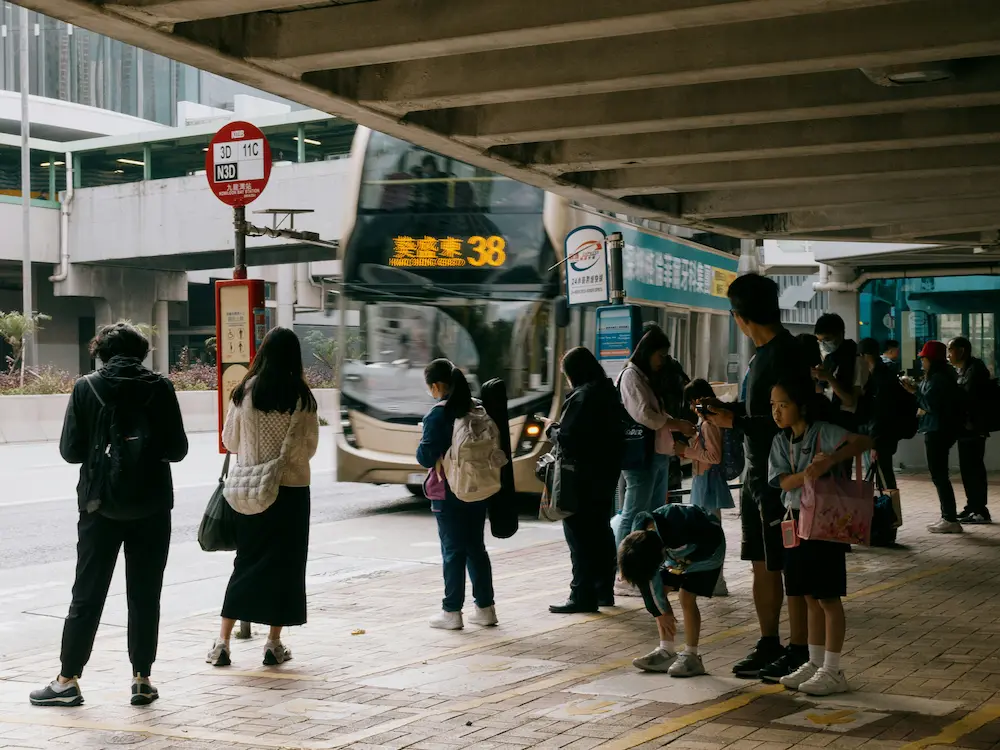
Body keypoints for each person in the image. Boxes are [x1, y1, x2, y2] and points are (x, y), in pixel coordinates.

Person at [30, 322, 188, 707]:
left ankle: (67, 680)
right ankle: (142, 679)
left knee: (87, 593)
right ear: (143, 352)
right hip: (152, 506)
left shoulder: (87, 387)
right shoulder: (161, 387)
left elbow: (70, 450)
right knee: (145, 594)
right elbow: (177, 450)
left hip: (99, 506)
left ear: (100, 351)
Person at [701, 273, 811, 682]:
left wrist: (736, 419)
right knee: (762, 562)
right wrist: (726, 408)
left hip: (783, 481)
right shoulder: (760, 355)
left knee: (790, 562)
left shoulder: (787, 353)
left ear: (739, 316)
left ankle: (800, 650)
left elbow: (794, 418)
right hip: (756, 476)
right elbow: (759, 411)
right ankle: (770, 643)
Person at [207, 327, 320, 668]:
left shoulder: (245, 391)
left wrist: (257, 454)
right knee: (286, 567)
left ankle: (222, 643)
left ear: (263, 354)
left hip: (251, 492)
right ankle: (273, 643)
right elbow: (308, 448)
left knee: (246, 562)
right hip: (292, 492)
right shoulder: (302, 397)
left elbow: (230, 440)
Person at [768, 376, 872, 696]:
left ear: (801, 405)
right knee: (809, 595)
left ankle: (833, 669)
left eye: (783, 405)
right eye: (773, 406)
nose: (777, 412)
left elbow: (863, 443)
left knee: (828, 597)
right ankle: (814, 663)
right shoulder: (780, 441)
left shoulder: (824, 432)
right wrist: (807, 474)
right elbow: (783, 482)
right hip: (796, 521)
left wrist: (832, 460)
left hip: (826, 524)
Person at [616, 326, 697, 596]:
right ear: (648, 352)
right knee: (632, 515)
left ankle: (644, 570)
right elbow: (645, 416)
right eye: (660, 355)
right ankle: (623, 574)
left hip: (657, 454)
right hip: (640, 456)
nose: (663, 360)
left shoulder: (648, 376)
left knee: (649, 517)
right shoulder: (631, 376)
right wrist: (677, 424)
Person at [417, 358, 497, 629]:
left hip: (448, 490)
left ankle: (451, 612)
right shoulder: (476, 407)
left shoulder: (438, 413)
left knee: (452, 550)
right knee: (476, 547)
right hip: (477, 487)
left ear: (437, 386)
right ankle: (485, 609)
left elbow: (426, 457)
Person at [546, 347, 623, 613]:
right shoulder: (608, 392)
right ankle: (604, 591)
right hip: (605, 475)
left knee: (579, 537)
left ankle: (582, 595)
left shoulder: (582, 397)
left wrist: (551, 429)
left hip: (581, 479)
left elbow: (569, 439)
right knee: (601, 532)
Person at [619, 504, 725, 677]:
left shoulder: (682, 527)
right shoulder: (640, 537)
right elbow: (648, 583)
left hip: (707, 554)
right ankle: (666, 650)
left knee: (686, 596)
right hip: (676, 555)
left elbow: (713, 539)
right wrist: (660, 613)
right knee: (660, 593)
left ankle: (691, 656)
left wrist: (686, 562)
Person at [675, 378, 733, 597]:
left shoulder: (709, 425)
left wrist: (686, 451)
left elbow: (714, 456)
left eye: (695, 402)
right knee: (708, 532)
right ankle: (713, 580)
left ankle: (716, 581)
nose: (693, 408)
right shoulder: (706, 424)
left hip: (708, 482)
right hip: (704, 481)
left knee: (711, 533)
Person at [902, 341, 964, 533]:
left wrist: (913, 392)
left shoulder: (938, 379)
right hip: (939, 429)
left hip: (937, 430)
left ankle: (950, 518)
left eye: (924, 358)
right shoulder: (941, 376)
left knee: (939, 475)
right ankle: (948, 516)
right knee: (939, 475)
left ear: (932, 360)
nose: (922, 362)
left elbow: (931, 404)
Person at [948, 337, 992, 524]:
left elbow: (967, 398)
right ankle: (972, 506)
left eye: (951, 350)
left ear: (962, 351)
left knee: (974, 469)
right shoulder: (966, 369)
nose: (948, 355)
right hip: (966, 428)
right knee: (968, 469)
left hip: (974, 428)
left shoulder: (975, 370)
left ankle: (980, 509)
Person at [857, 338, 901, 490]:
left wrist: (875, 443)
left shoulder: (880, 378)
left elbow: (880, 412)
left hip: (881, 436)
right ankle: (887, 508)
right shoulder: (879, 374)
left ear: (865, 355)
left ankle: (889, 510)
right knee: (882, 475)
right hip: (881, 434)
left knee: (883, 476)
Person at [813, 314, 866, 430]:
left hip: (847, 424)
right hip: (827, 421)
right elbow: (822, 390)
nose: (823, 345)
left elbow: (850, 401)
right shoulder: (829, 360)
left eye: (827, 340)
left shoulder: (857, 361)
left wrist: (829, 378)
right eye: (820, 341)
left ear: (840, 335)